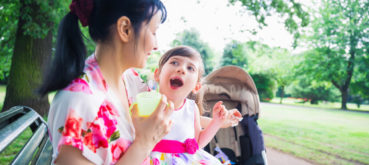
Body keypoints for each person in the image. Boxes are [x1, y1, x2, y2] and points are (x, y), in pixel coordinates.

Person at [38, 0, 174, 164]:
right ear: (125, 29)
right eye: (153, 32)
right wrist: (145, 142)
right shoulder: (79, 100)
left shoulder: (127, 79)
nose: (156, 46)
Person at [136, 46, 238, 164]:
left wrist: (216, 122)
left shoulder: (191, 108)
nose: (181, 69)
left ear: (196, 87)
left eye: (190, 68)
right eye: (174, 62)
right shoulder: (148, 102)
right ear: (157, 74)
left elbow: (198, 142)